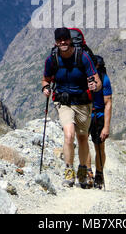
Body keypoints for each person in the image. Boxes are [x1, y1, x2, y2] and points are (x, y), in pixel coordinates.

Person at [42, 27, 102, 188]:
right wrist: (45, 88)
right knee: (69, 135)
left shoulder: (83, 57)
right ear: (55, 42)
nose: (63, 42)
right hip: (63, 102)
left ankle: (83, 171)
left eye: (65, 39)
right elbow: (45, 79)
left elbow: (97, 81)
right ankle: (69, 171)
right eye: (59, 40)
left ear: (70, 40)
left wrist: (94, 86)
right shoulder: (52, 59)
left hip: (83, 103)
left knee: (82, 137)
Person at [86, 55, 112, 189]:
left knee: (99, 146)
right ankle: (89, 173)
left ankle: (99, 174)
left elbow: (108, 103)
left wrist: (106, 127)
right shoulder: (84, 77)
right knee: (83, 143)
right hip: (85, 113)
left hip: (98, 114)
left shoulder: (104, 79)